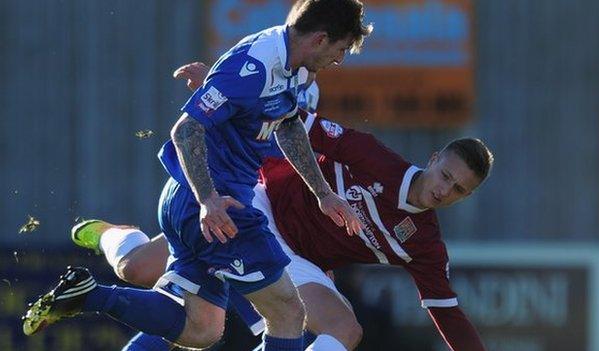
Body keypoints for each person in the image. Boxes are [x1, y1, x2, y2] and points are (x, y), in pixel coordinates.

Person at [64, 63, 492, 351]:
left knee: (346, 330)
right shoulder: (372, 157)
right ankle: (107, 234)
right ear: (434, 159)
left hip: (299, 262)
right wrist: (217, 81)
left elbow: (448, 314)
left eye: (457, 189)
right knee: (137, 270)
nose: (444, 189)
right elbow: (293, 123)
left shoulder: (426, 246)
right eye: (446, 176)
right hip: (257, 205)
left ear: (466, 197)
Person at [22, 1, 373, 350]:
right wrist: (208, 200)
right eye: (340, 50)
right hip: (217, 207)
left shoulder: (296, 70)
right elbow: (186, 130)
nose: (339, 60)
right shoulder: (255, 66)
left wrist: (323, 193)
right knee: (288, 312)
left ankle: (88, 296)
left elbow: (289, 125)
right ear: (320, 39)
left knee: (201, 329)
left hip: (201, 203)